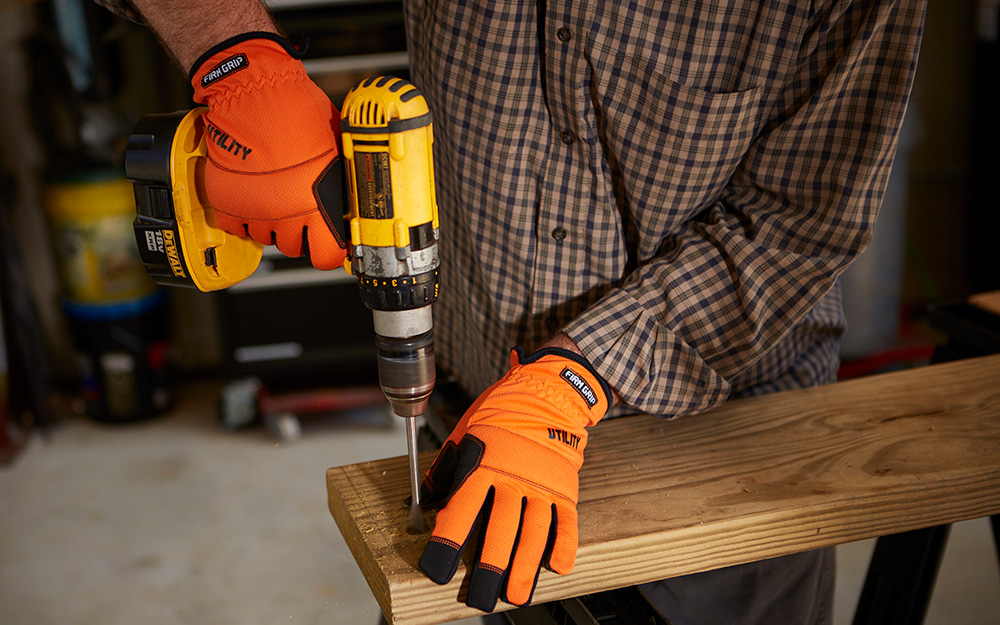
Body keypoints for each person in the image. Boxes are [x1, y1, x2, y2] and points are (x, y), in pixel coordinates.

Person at [94, 0, 928, 622]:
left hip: (724, 439)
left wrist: (575, 377)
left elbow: (797, 220)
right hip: (468, 401)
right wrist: (234, 54)